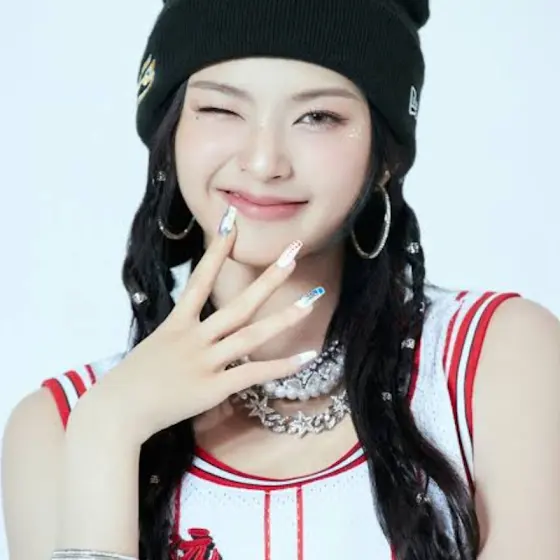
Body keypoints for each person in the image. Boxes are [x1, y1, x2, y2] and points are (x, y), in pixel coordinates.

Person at [2, 0, 559, 559]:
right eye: (220, 109)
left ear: (384, 155)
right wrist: (107, 433)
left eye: (318, 117)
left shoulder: (499, 362)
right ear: (170, 134)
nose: (265, 161)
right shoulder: (61, 428)